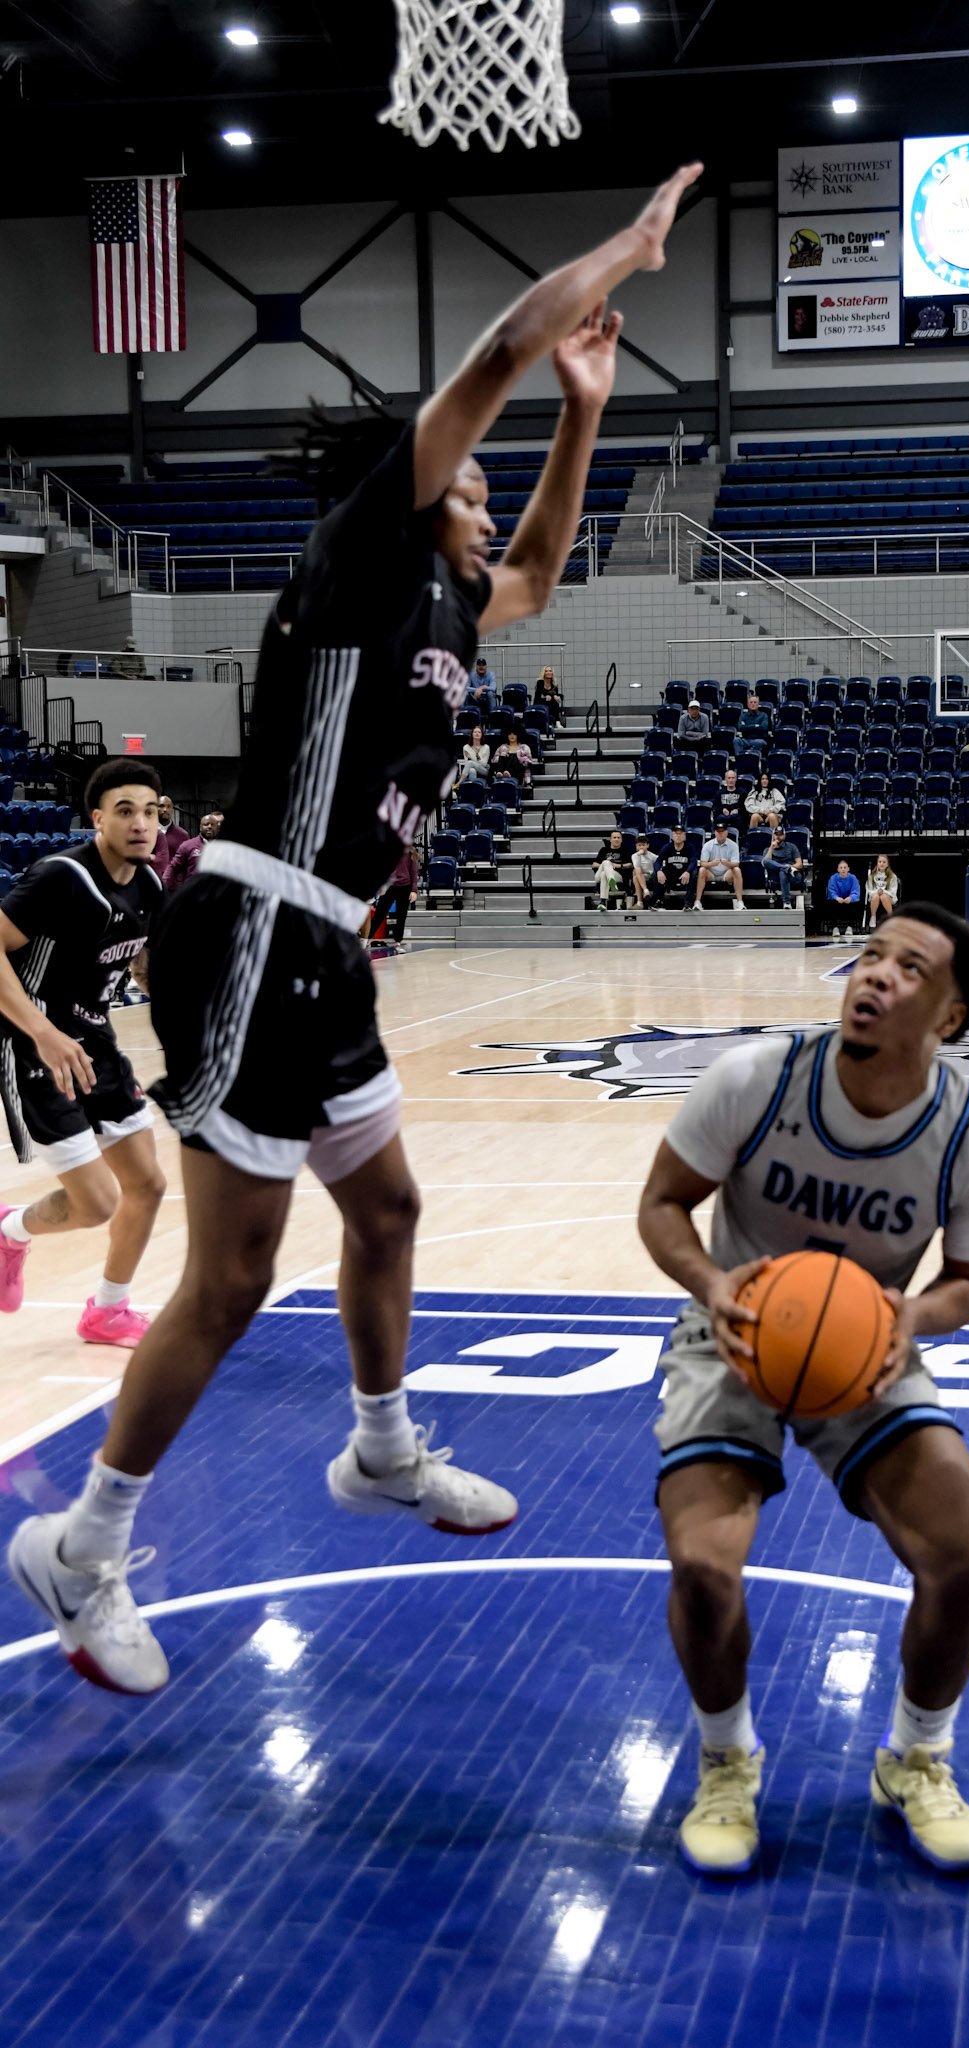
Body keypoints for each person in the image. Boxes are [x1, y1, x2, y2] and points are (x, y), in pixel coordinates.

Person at [4, 161, 704, 1698]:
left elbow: (539, 569)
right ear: (410, 493)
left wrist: (586, 411)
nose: (483, 503)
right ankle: (82, 1545)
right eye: (467, 484)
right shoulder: (354, 568)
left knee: (384, 1212)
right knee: (233, 1279)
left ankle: (382, 1449)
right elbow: (496, 352)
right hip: (251, 925)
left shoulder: (452, 608)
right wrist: (618, 258)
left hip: (324, 947)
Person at [637, 906, 969, 1875]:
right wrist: (713, 1282)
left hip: (865, 1351)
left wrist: (908, 1317)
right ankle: (726, 1762)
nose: (876, 974)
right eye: (870, 955)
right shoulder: (755, 1080)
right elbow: (662, 1203)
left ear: (952, 1015)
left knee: (964, 1552)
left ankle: (916, 1758)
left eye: (909, 968)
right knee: (704, 1566)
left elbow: (968, 1282)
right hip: (732, 1335)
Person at [0, 759, 167, 1351]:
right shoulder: (61, 878)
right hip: (32, 1043)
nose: (141, 823)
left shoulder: (149, 885)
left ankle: (108, 1311)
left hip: (95, 1039)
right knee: (97, 1204)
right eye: (125, 811)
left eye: (151, 812)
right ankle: (11, 1230)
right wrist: (43, 1031)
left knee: (147, 1185)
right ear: (97, 819)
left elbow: (142, 966)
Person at [374, 843, 419, 951]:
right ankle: (365, 940)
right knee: (379, 915)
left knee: (401, 917)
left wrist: (414, 890)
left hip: (404, 887)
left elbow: (414, 873)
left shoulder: (410, 852)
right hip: (389, 887)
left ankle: (398, 942)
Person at [691, 822, 744, 911]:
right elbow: (702, 863)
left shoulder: (733, 845)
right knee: (702, 870)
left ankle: (740, 902)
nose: (720, 833)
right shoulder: (708, 845)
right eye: (718, 831)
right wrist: (711, 864)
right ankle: (697, 901)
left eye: (722, 831)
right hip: (711, 873)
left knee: (737, 870)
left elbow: (736, 864)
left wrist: (727, 863)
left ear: (726, 832)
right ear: (715, 832)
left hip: (726, 873)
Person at [166, 810, 223, 892]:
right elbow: (173, 867)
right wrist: (166, 887)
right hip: (193, 892)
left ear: (218, 829)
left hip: (217, 893)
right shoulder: (187, 846)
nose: (209, 827)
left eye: (212, 825)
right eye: (206, 824)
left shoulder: (225, 848)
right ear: (200, 827)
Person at [760, 824, 803, 907]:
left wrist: (791, 867)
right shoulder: (768, 849)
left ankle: (787, 902)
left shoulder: (792, 846)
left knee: (783, 872)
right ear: (773, 836)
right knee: (767, 861)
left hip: (793, 875)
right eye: (776, 834)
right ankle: (786, 902)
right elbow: (765, 863)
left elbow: (800, 864)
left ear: (784, 836)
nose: (778, 837)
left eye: (780, 834)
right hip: (776, 876)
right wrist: (771, 848)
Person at [151, 795, 190, 882]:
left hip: (174, 883)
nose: (165, 809)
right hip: (151, 880)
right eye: (161, 806)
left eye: (168, 807)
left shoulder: (182, 835)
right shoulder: (146, 833)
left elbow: (186, 861)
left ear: (172, 810)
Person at [655, 826, 693, 906]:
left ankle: (688, 902)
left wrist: (688, 871)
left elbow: (694, 862)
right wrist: (659, 871)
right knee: (657, 874)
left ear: (684, 836)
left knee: (694, 873)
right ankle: (658, 900)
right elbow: (657, 862)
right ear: (672, 836)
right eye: (676, 833)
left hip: (684, 873)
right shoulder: (667, 847)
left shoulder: (690, 847)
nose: (678, 836)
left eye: (680, 833)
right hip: (671, 873)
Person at [592, 828, 629, 909]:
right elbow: (594, 864)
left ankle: (603, 902)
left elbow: (630, 864)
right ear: (610, 839)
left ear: (621, 840)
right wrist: (607, 865)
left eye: (618, 837)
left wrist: (618, 865)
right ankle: (612, 882)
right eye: (614, 837)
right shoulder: (604, 850)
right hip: (599, 875)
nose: (616, 839)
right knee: (606, 863)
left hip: (617, 875)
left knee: (604, 874)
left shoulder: (624, 850)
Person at [826, 858, 860, 937]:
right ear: (838, 870)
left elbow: (856, 891)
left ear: (848, 869)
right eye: (841, 868)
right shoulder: (833, 878)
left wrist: (850, 898)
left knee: (855, 903)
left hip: (848, 900)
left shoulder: (853, 878)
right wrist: (837, 898)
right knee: (831, 903)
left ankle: (850, 927)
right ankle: (835, 928)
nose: (843, 869)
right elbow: (831, 891)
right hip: (837, 900)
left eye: (845, 867)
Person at [867, 853, 899, 924]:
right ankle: (873, 917)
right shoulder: (871, 875)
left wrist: (883, 891)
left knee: (883, 896)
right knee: (876, 896)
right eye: (880, 862)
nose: (882, 864)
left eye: (884, 862)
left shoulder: (892, 876)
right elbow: (869, 890)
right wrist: (877, 892)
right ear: (877, 863)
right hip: (875, 897)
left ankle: (890, 917)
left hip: (889, 898)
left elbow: (893, 892)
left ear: (887, 864)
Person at [631, 833, 660, 908]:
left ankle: (640, 902)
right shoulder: (634, 856)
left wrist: (648, 874)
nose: (641, 847)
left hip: (650, 876)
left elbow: (657, 866)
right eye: (639, 845)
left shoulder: (653, 856)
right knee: (636, 873)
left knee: (636, 875)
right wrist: (639, 855)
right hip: (640, 875)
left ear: (647, 845)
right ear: (636, 846)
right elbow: (637, 866)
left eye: (643, 845)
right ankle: (645, 891)